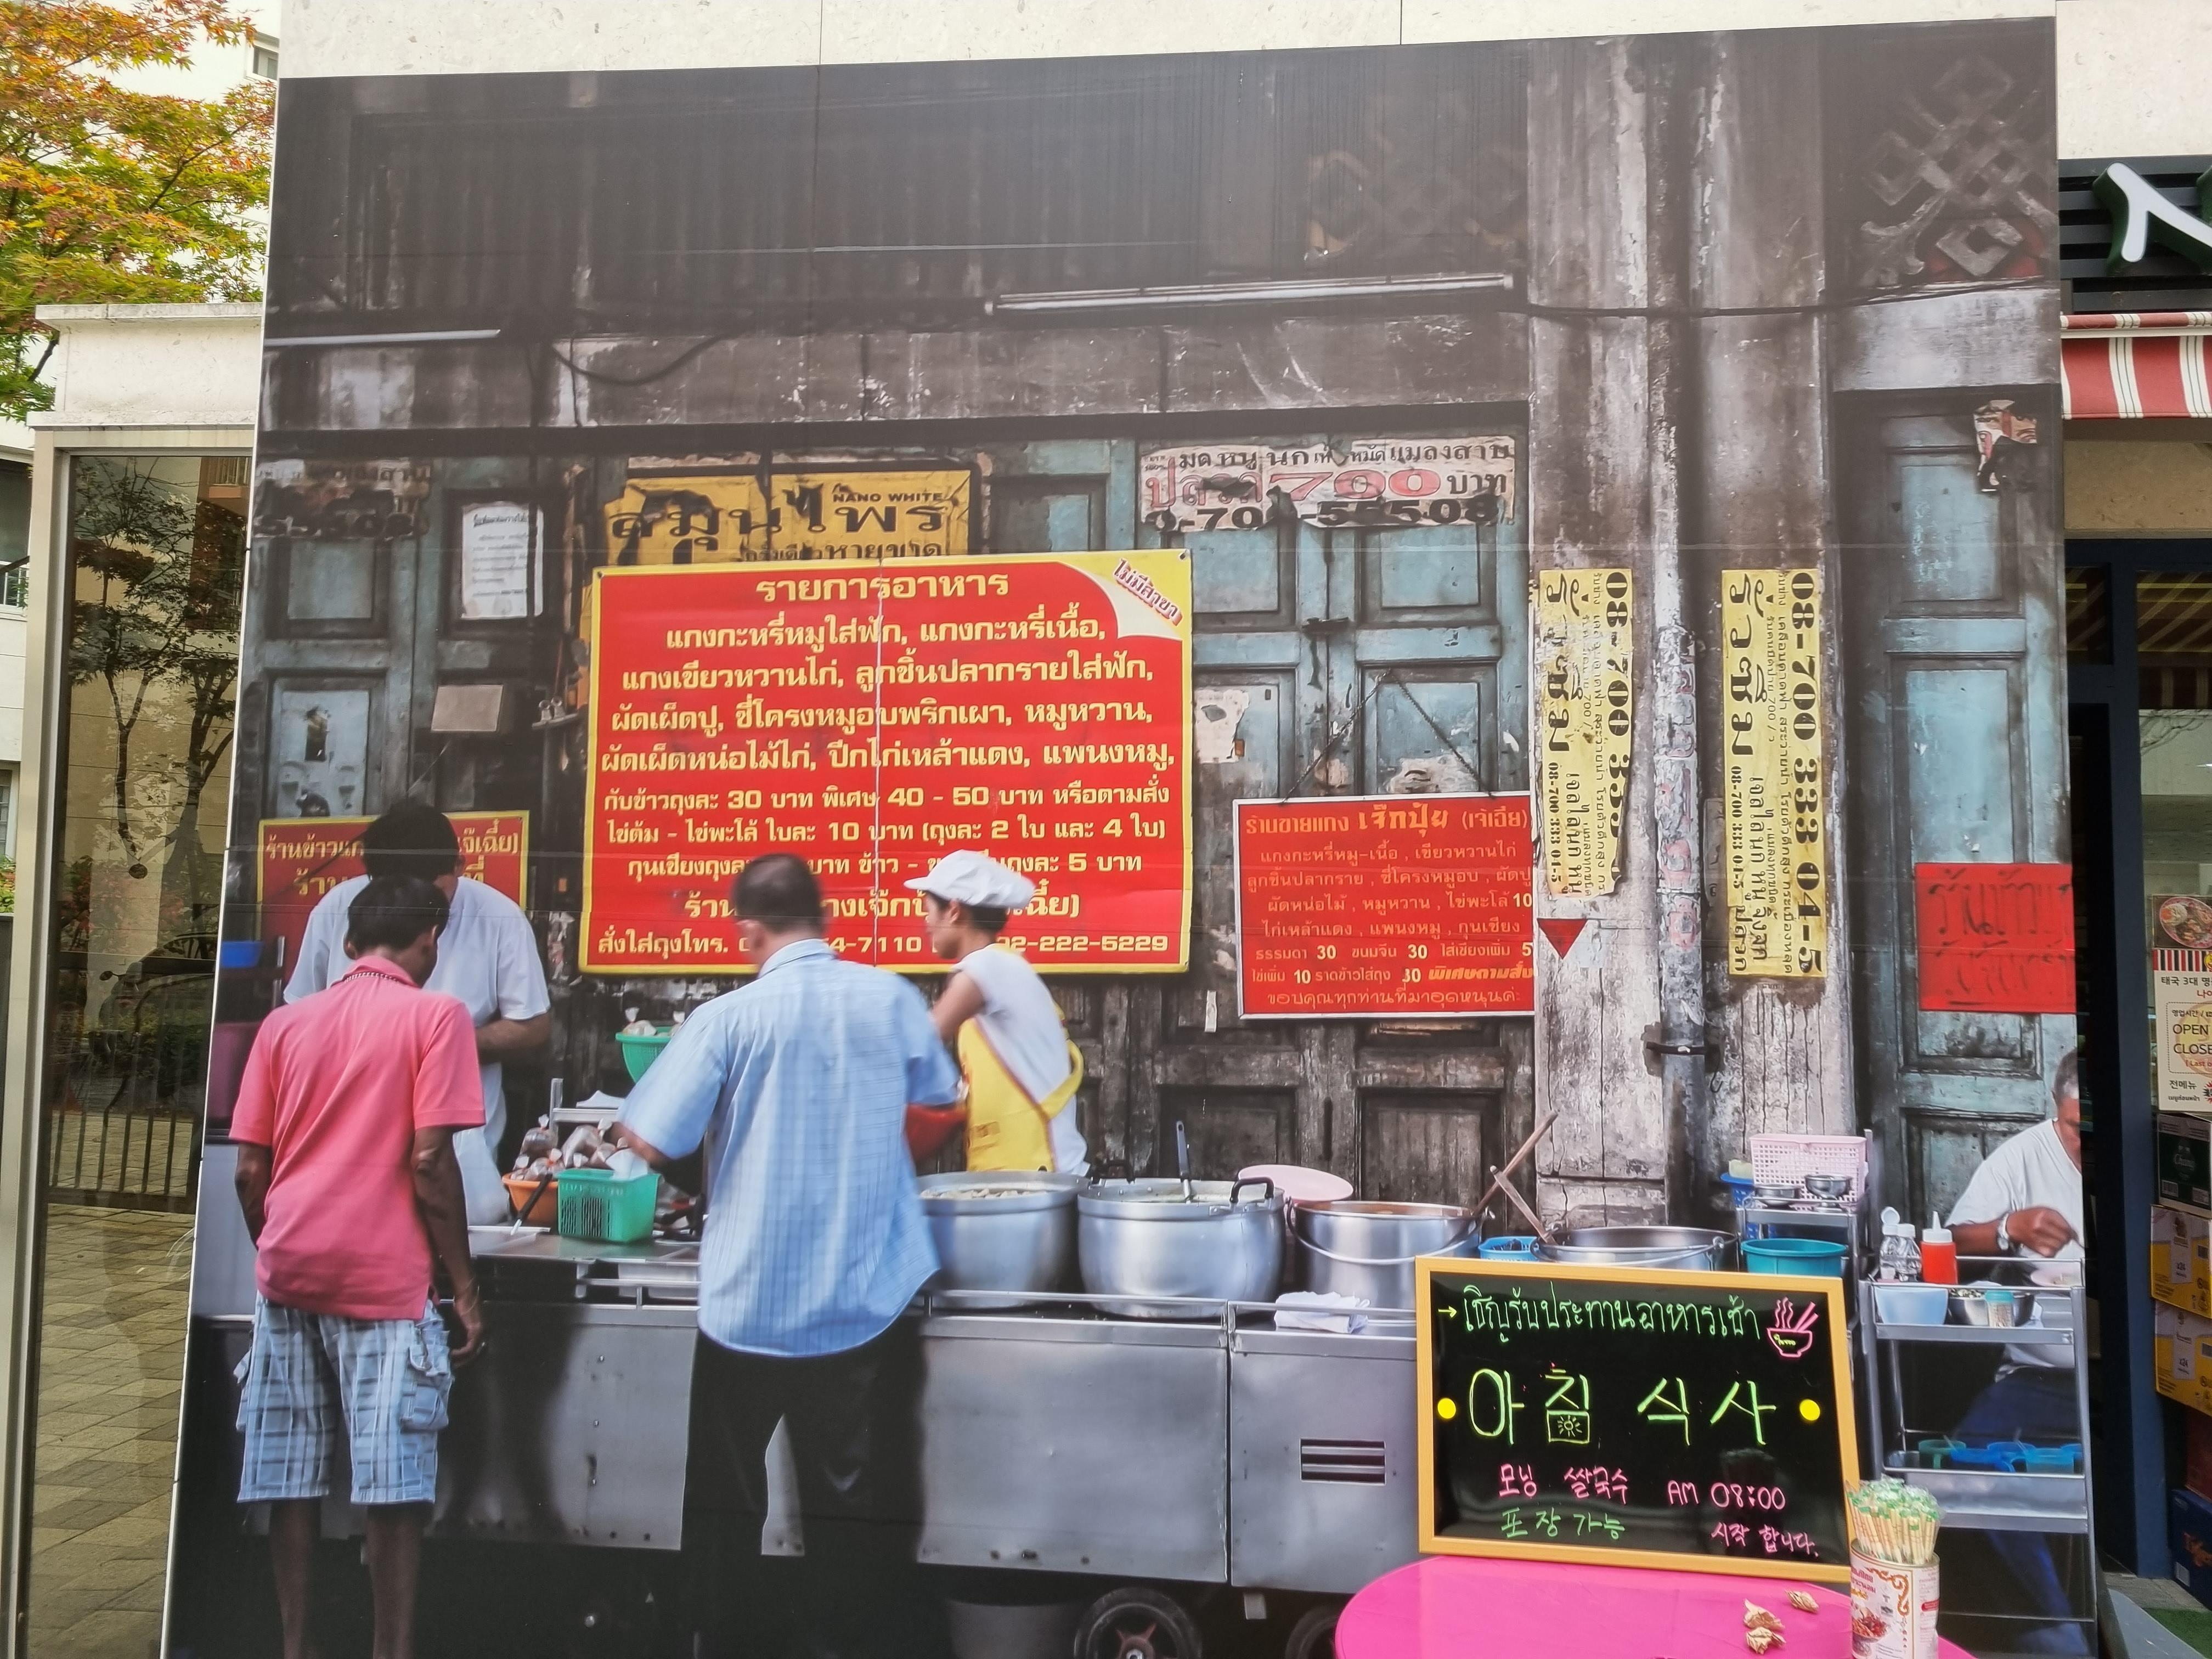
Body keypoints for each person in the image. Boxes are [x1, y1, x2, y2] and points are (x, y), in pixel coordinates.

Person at [613, 854, 961, 1659]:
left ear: (748, 932)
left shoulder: (726, 1020)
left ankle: (721, 1642)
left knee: (726, 1506)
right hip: (862, 1296)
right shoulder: (889, 997)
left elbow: (646, 1136)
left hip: (750, 1302)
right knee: (852, 1504)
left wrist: (707, 1161)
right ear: (823, 919)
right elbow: (940, 1099)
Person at [231, 876, 488, 1659]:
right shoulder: (437, 1017)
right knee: (393, 1484)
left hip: (288, 1276)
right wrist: (464, 1289)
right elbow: (431, 1163)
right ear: (429, 943)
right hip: (383, 1283)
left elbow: (249, 1172)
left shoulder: (284, 1024)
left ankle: (297, 1647)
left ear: (348, 945)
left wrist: (279, 1245)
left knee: (290, 1477)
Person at [289, 802, 549, 1222]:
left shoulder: (499, 917)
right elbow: (298, 1019)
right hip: (346, 1145)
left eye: (430, 899)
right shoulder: (335, 910)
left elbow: (533, 1025)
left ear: (460, 865)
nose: (414, 913)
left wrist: (438, 1045)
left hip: (460, 1149)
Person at [1943, 1048, 2087, 1653]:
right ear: (2056, 1108)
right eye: (2077, 1128)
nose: (2086, 1142)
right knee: (1972, 1468)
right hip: (2040, 1378)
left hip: (2136, 1383)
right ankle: (2057, 1633)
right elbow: (1956, 1243)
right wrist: (2011, 1229)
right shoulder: (2024, 1156)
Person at [907, 850, 1086, 1175]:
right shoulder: (1000, 968)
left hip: (1041, 1179)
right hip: (1018, 1179)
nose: (926, 924)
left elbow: (922, 1039)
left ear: (954, 911)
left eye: (929, 910)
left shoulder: (989, 967)